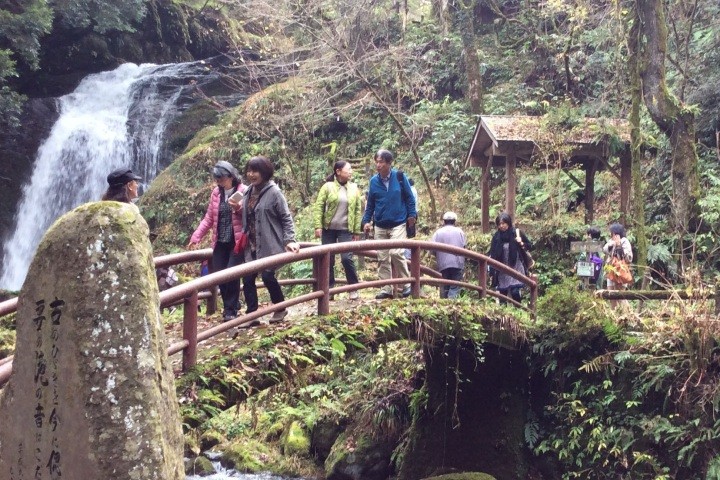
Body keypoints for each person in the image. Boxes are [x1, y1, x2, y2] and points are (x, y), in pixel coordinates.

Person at [240, 156, 300, 323]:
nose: (251, 174)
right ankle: (252, 316)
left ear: (264, 172)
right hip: (251, 243)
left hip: (269, 242)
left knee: (267, 277)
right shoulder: (247, 191)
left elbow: (286, 218)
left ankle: (280, 308)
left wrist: (290, 240)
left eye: (255, 171)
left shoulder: (274, 193)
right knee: (248, 278)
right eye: (249, 171)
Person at [188, 161, 247, 322]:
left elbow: (251, 214)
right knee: (220, 274)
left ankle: (230, 310)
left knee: (231, 274)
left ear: (231, 176)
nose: (218, 182)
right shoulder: (216, 193)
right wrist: (196, 236)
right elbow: (209, 218)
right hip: (220, 240)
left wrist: (239, 209)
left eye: (221, 178)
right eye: (217, 179)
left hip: (236, 241)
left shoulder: (243, 191)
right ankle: (233, 304)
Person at [361, 149, 417, 299]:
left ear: (389, 163)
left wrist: (412, 215)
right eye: (377, 162)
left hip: (398, 222)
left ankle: (406, 284)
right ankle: (386, 288)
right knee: (382, 257)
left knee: (396, 252)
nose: (378, 165)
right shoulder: (373, 181)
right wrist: (366, 221)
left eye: (381, 162)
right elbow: (371, 204)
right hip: (380, 224)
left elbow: (409, 198)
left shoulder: (399, 177)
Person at [313, 161, 362, 300]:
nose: (351, 171)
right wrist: (318, 226)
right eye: (349, 169)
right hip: (329, 229)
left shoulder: (353, 188)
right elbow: (319, 207)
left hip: (346, 229)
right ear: (338, 171)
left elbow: (357, 210)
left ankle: (353, 288)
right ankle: (329, 290)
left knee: (347, 258)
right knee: (328, 260)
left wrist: (356, 231)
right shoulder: (327, 187)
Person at [488, 212, 533, 304]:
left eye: (503, 223)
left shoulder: (516, 233)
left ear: (508, 223)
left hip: (516, 267)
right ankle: (503, 316)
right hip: (502, 269)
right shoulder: (496, 237)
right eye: (499, 224)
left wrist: (521, 243)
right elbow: (492, 253)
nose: (501, 226)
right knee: (502, 295)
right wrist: (492, 271)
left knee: (515, 292)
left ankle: (519, 312)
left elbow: (531, 246)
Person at [431, 211, 466, 299]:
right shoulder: (460, 232)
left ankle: (444, 303)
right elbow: (464, 246)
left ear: (444, 221)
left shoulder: (437, 233)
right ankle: (451, 302)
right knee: (454, 285)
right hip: (457, 262)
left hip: (443, 264)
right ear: (455, 221)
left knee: (445, 285)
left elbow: (432, 249)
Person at [602, 223, 632, 291]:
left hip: (621, 270)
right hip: (611, 270)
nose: (611, 235)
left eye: (612, 233)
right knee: (611, 296)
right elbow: (604, 249)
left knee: (620, 297)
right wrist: (612, 244)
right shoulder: (611, 241)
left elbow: (628, 258)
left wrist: (619, 245)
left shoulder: (625, 241)